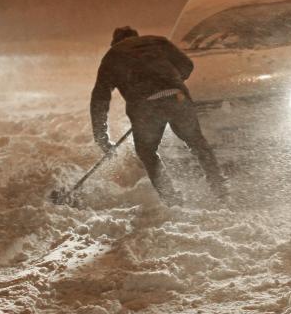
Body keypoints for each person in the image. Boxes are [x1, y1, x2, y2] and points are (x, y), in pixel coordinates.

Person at [90, 26, 226, 206]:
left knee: (147, 151)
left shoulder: (112, 56)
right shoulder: (158, 41)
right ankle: (220, 189)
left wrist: (101, 137)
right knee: (197, 142)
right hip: (177, 97)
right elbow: (187, 65)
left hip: (145, 107)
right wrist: (168, 81)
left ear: (114, 43)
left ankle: (171, 198)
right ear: (137, 37)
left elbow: (100, 100)